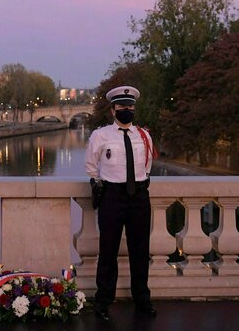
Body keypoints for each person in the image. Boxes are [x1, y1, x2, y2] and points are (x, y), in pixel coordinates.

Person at [85, 85, 157, 320]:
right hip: (112, 197)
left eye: (130, 106)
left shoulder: (144, 135)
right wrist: (102, 187)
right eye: (122, 106)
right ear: (113, 109)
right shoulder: (101, 135)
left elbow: (147, 166)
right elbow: (92, 167)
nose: (126, 110)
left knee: (140, 251)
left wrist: (138, 186)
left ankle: (142, 299)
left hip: (138, 197)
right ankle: (104, 301)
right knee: (108, 251)